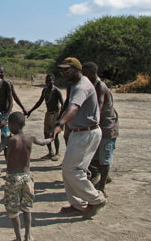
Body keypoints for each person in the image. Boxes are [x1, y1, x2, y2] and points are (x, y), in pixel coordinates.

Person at [0, 112, 53, 241]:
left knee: (13, 211)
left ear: (11, 125)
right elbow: (43, 142)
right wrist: (52, 137)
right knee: (27, 208)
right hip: (27, 177)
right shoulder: (31, 137)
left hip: (13, 178)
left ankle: (18, 237)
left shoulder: (9, 140)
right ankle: (28, 236)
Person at [53, 57, 107, 219]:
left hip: (86, 132)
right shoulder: (76, 85)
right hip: (80, 132)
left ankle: (96, 199)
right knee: (68, 169)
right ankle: (78, 204)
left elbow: (74, 107)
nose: (64, 73)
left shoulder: (81, 87)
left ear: (78, 70)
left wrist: (60, 123)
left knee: (73, 170)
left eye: (67, 69)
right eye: (62, 70)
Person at [82, 62, 119, 196]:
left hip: (106, 127)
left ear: (92, 71)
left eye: (85, 72)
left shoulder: (100, 87)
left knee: (103, 158)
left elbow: (98, 106)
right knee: (94, 156)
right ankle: (104, 176)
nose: (83, 75)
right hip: (99, 126)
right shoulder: (92, 86)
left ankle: (102, 186)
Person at [27, 74, 64, 160]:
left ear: (53, 81)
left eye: (51, 80)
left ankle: (57, 153)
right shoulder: (45, 90)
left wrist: (60, 117)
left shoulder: (56, 91)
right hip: (48, 114)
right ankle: (50, 152)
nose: (49, 82)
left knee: (55, 134)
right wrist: (31, 111)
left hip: (56, 114)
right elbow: (39, 102)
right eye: (47, 81)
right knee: (46, 133)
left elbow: (63, 104)